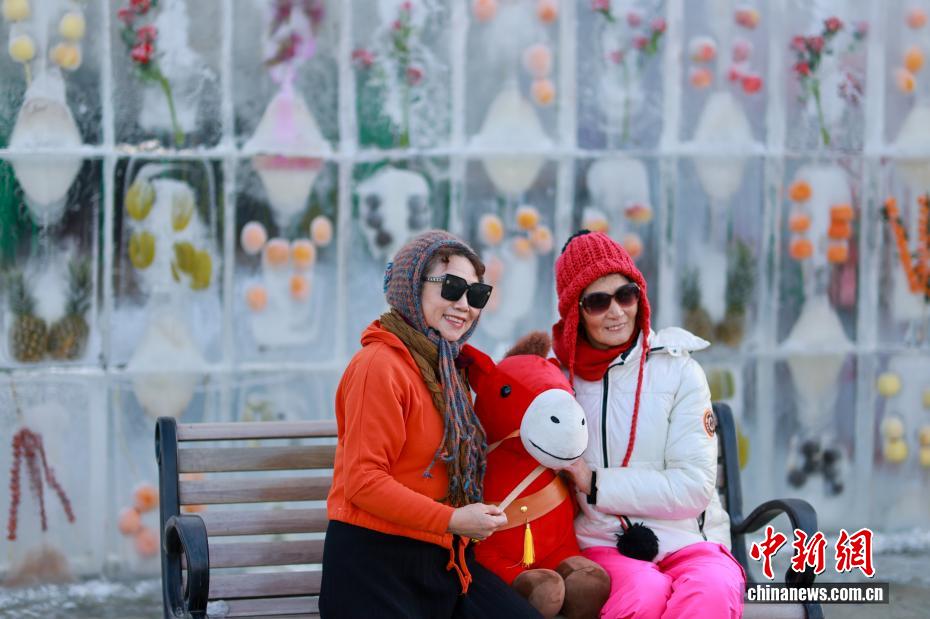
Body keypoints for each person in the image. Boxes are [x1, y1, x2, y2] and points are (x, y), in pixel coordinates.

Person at [320, 230, 542, 619]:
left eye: (476, 294)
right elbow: (363, 481)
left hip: (443, 561)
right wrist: (453, 519)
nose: (464, 305)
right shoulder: (379, 366)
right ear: (411, 286)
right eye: (451, 287)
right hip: (375, 565)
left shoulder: (448, 370)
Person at [553, 230, 746, 619]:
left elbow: (692, 486)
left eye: (626, 295)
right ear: (576, 312)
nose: (616, 311)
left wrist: (595, 483)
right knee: (642, 595)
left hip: (691, 541)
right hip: (603, 543)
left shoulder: (680, 371)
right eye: (598, 302)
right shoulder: (558, 382)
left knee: (710, 592)